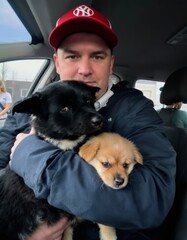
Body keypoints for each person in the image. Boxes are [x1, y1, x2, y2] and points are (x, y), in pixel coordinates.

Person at [0, 4, 176, 240]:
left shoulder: (135, 112)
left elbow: (152, 200)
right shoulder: (28, 108)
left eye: (97, 56)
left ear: (111, 63)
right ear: (57, 61)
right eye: (72, 56)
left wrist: (29, 154)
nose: (84, 69)